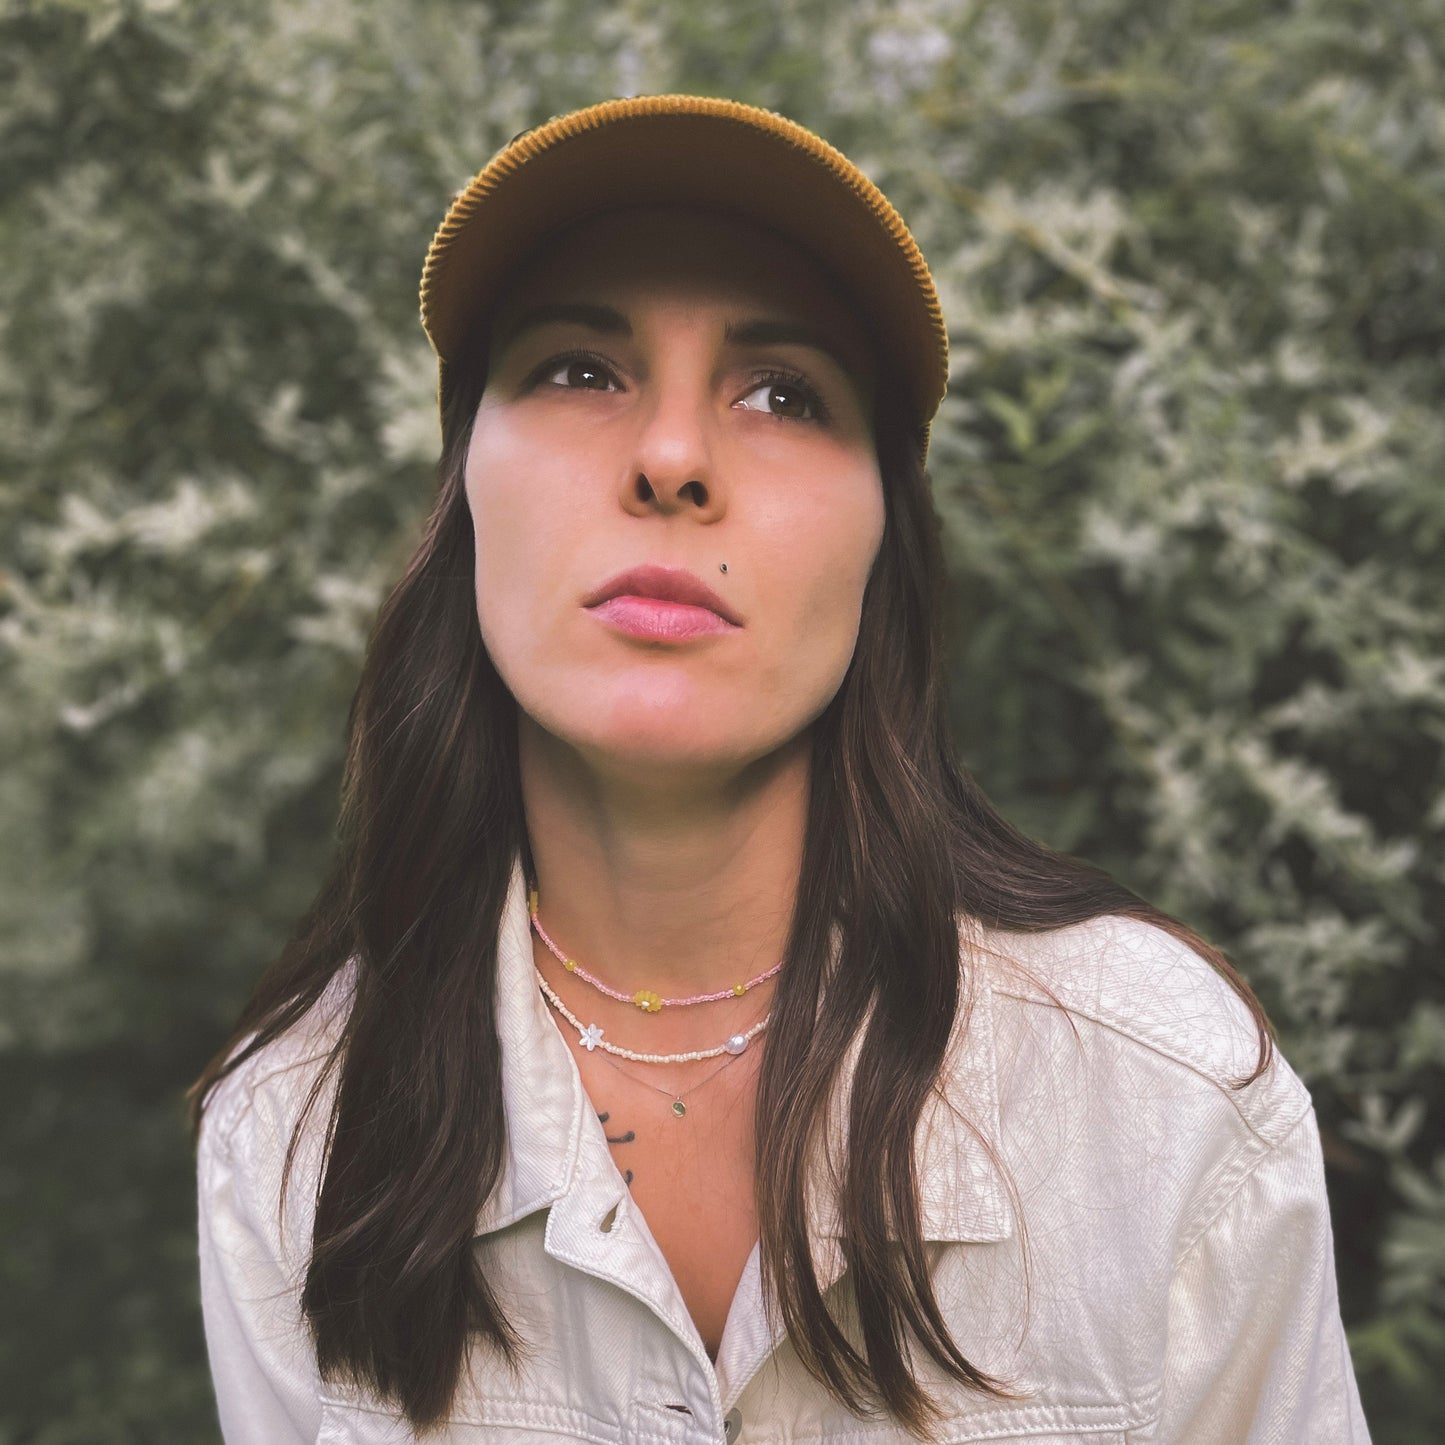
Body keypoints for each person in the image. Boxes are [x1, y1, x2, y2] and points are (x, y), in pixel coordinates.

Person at [191, 95, 1369, 1444]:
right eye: (580, 367)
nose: (674, 458)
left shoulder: (1165, 1102)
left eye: (782, 392)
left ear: (884, 543)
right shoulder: (293, 1133)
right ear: (462, 495)